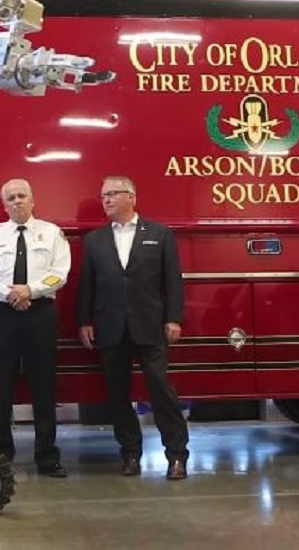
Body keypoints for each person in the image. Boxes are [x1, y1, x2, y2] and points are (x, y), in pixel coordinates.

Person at [76, 175, 189, 479]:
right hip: (110, 326)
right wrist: (85, 321)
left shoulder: (160, 234)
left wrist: (174, 317)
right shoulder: (95, 240)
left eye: (113, 194)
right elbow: (87, 284)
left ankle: (177, 455)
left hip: (150, 325)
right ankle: (130, 455)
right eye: (104, 195)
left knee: (161, 391)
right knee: (117, 395)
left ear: (132, 197)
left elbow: (173, 281)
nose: (107, 200)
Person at [0, 178, 70, 478]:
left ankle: (47, 456)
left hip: (40, 314)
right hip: (2, 315)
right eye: (11, 198)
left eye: (22, 196)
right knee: (0, 386)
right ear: (4, 205)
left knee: (43, 386)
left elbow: (60, 274)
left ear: (32, 200)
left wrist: (31, 290)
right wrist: (10, 294)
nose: (17, 201)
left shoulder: (52, 234)